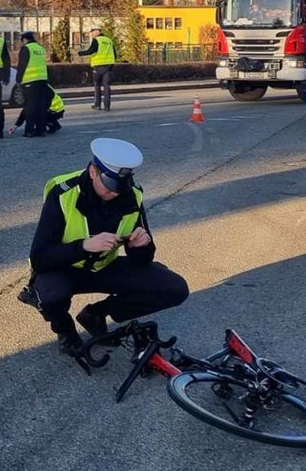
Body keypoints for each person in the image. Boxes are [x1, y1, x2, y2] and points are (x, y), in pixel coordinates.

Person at [18, 137, 189, 357]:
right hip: (65, 268)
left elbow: (142, 261)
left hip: (104, 266)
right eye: (110, 186)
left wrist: (141, 247)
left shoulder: (131, 195)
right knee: (50, 294)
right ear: (92, 171)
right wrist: (84, 246)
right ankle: (66, 331)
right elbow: (40, 258)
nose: (115, 193)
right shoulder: (63, 193)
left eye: (121, 187)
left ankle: (96, 313)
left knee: (175, 289)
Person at [14, 31, 53, 138]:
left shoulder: (26, 49)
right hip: (42, 80)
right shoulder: (40, 48)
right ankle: (41, 130)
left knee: (30, 107)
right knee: (41, 107)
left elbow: (22, 65)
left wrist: (18, 79)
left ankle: (29, 131)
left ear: (24, 39)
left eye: (21, 40)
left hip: (30, 81)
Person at [78, 26, 116, 112]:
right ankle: (107, 106)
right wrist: (112, 64)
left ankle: (97, 105)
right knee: (106, 86)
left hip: (98, 66)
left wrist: (80, 53)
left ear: (97, 32)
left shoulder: (97, 40)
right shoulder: (109, 41)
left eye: (92, 32)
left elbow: (91, 51)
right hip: (108, 66)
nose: (91, 34)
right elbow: (114, 53)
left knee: (97, 85)